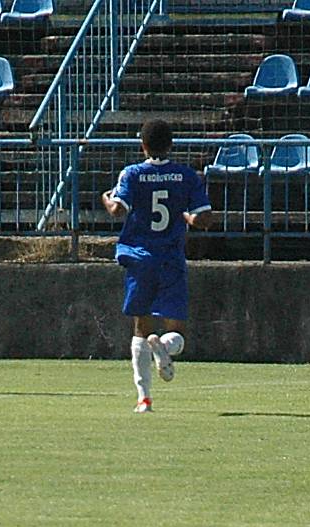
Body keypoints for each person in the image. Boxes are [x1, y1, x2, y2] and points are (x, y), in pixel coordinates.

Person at [100, 119, 212, 413]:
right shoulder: (186, 176)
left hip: (139, 257)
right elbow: (204, 217)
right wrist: (187, 218)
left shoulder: (133, 174)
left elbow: (117, 210)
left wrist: (106, 199)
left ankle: (143, 399)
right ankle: (164, 344)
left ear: (143, 146)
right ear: (171, 145)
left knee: (139, 327)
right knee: (177, 330)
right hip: (170, 258)